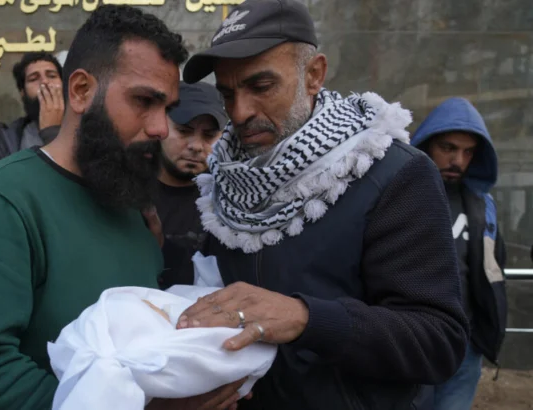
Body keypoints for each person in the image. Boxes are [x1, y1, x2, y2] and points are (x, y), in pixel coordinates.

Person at [0, 5, 247, 410]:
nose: (159, 128)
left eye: (166, 109)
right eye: (143, 101)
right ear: (80, 91)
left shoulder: (128, 202)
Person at [175, 0, 469, 409]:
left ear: (313, 75)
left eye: (261, 87)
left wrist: (305, 318)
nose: (239, 113)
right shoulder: (223, 183)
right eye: (227, 93)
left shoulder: (393, 174)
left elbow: (438, 341)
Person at [411, 97, 507, 410]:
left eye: (468, 152)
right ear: (426, 143)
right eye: (448, 148)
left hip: (465, 345)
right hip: (411, 339)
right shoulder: (399, 196)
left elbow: (494, 266)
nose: (458, 160)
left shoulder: (482, 204)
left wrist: (485, 333)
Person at [155, 81, 227, 290]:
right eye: (184, 131)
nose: (196, 146)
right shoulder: (127, 191)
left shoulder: (229, 202)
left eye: (209, 135)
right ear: (161, 126)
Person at [0, 51, 64, 171]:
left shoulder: (82, 128)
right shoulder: (6, 139)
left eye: (52, 76)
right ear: (22, 92)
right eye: (34, 79)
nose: (45, 82)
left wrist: (51, 132)